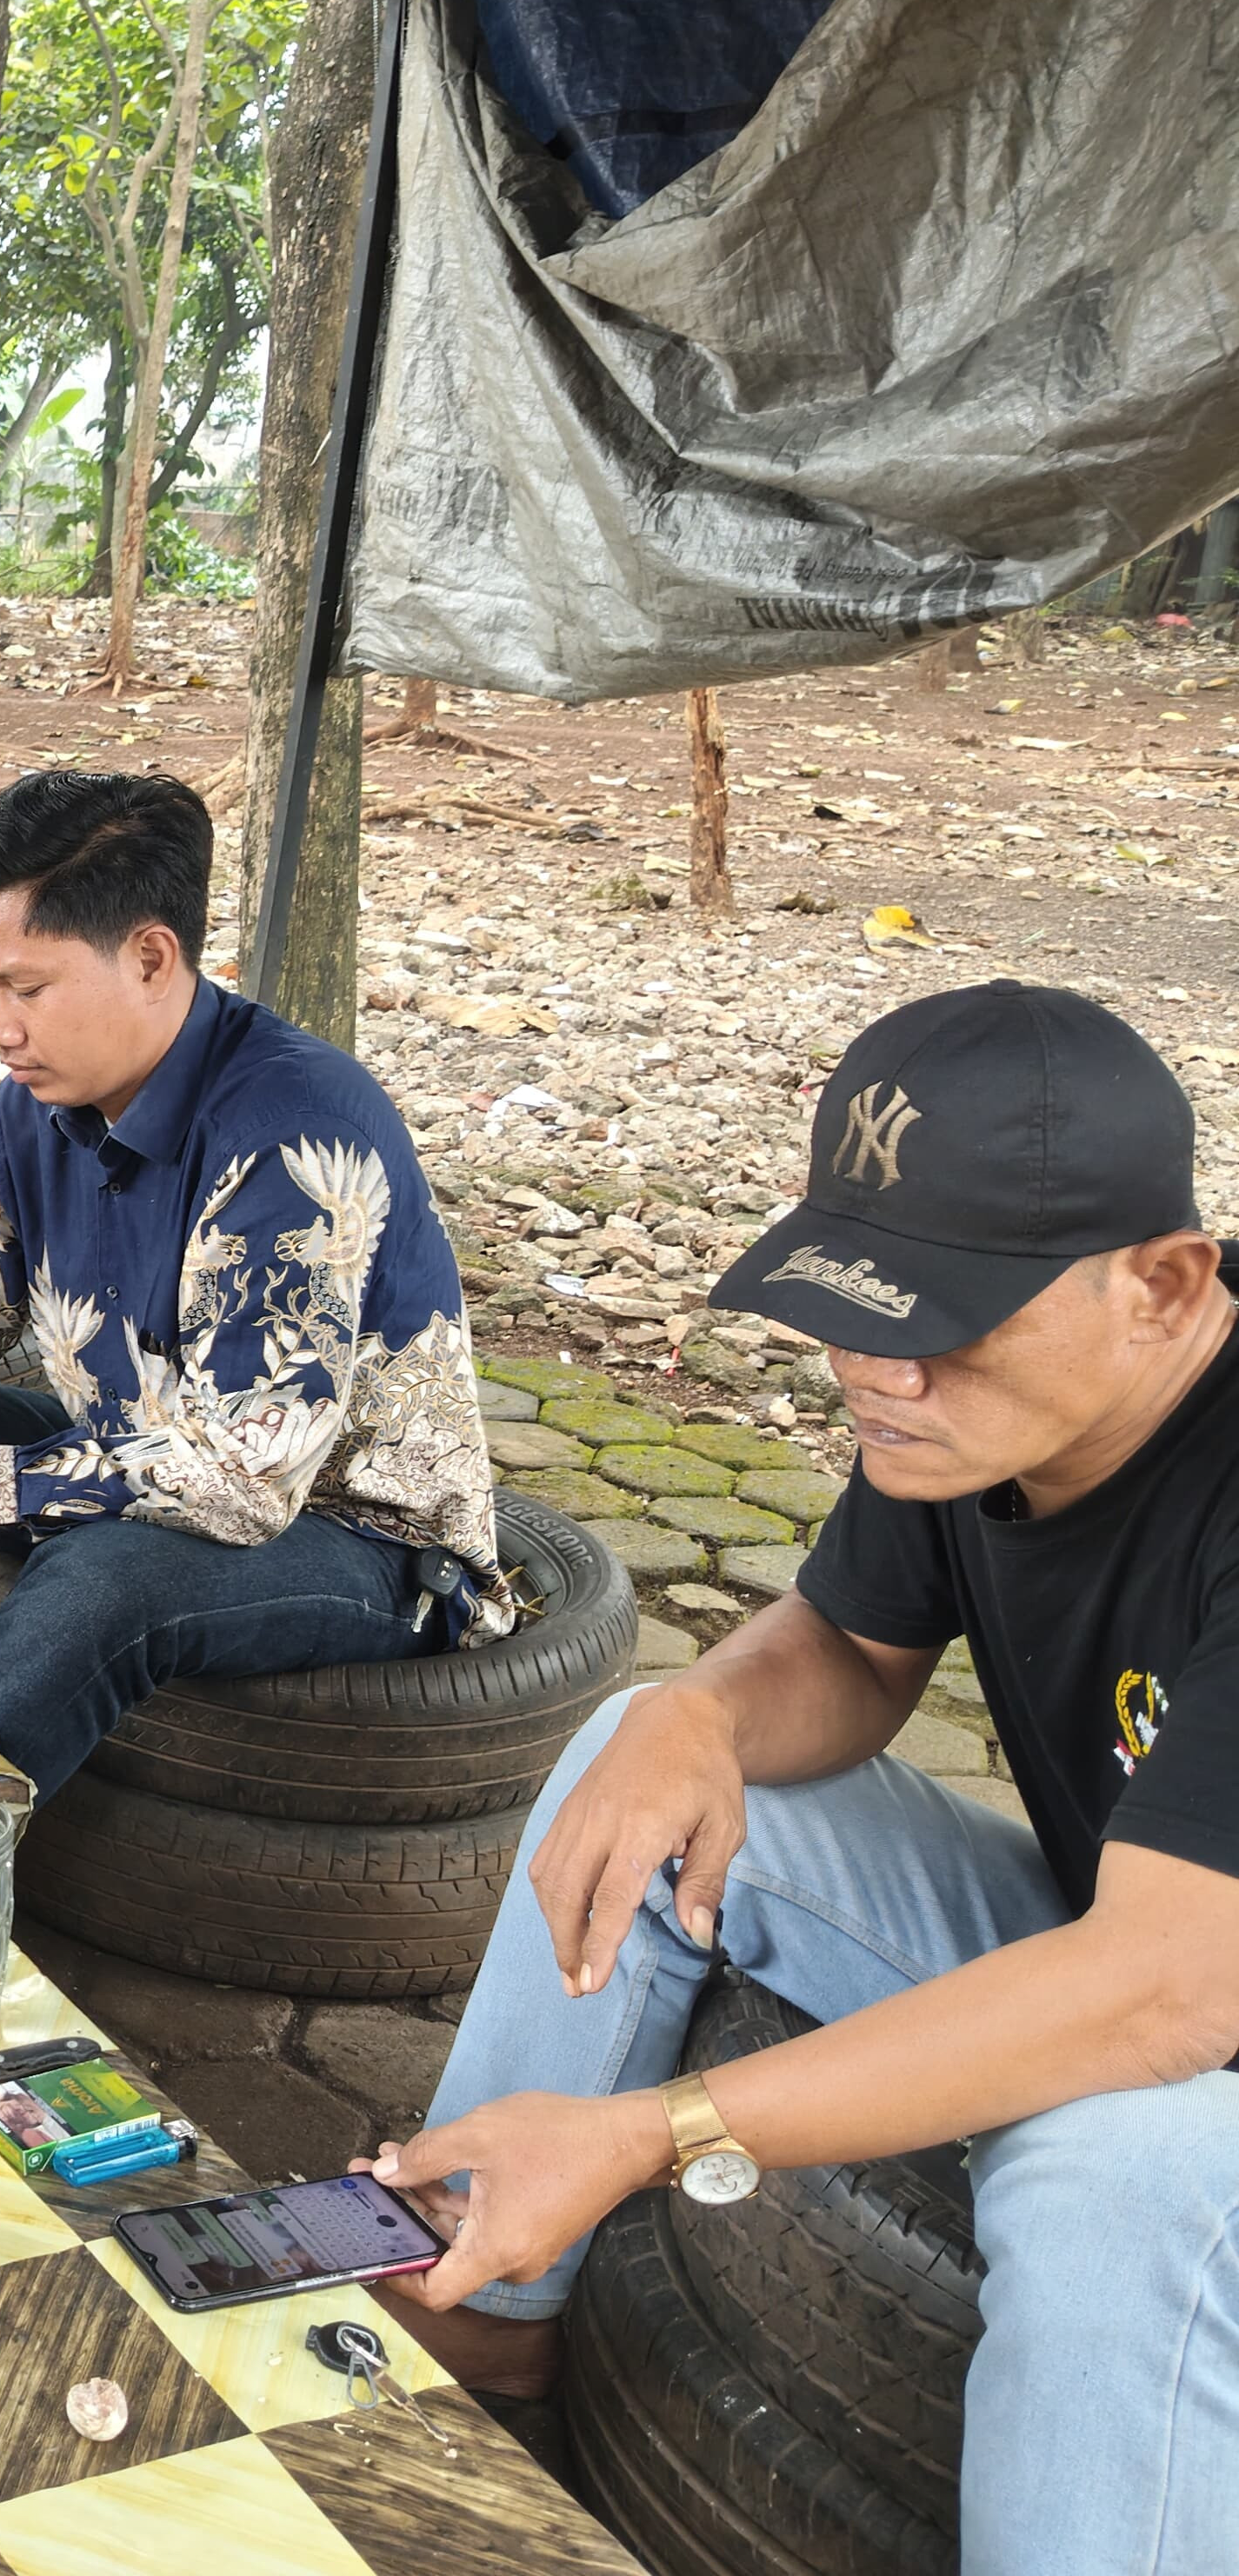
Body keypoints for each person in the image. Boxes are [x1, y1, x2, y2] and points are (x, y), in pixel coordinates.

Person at [362, 982, 1239, 2573]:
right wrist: (694, 1710)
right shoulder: (960, 1397)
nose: (872, 1370)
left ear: (1164, 1286)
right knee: (636, 1763)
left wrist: (647, 2131)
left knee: (1119, 2166)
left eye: (939, 1322)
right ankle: (476, 2320)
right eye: (857, 1304)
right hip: (1145, 1916)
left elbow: (1169, 1997)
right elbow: (849, 1647)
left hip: (1189, 1979)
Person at [0, 769, 509, 1794]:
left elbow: (243, 1481)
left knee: (100, 1580)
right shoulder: (35, 1106)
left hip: (352, 1536)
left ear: (149, 957)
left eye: (25, 990)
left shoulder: (294, 1135)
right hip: (131, 1458)